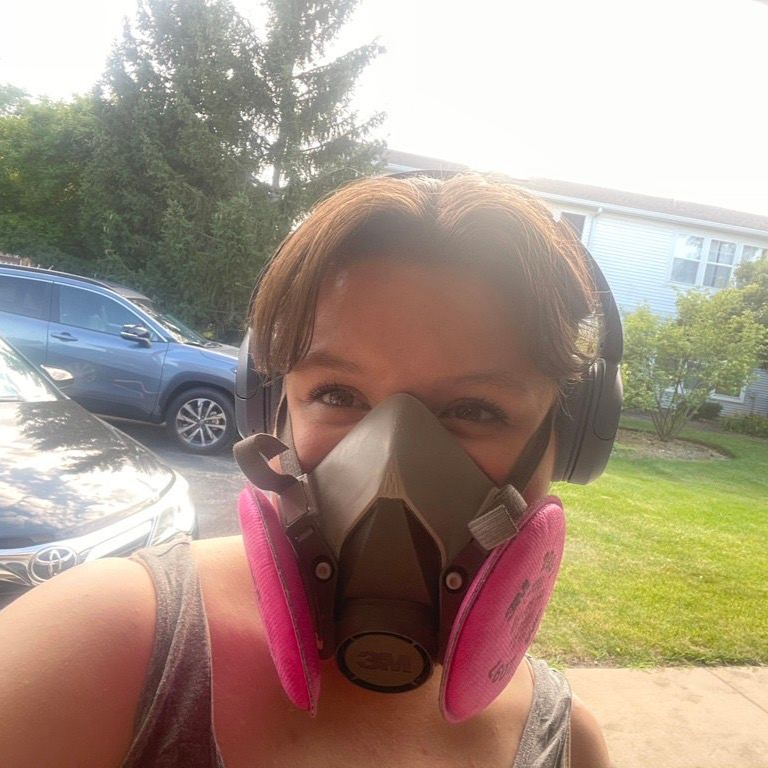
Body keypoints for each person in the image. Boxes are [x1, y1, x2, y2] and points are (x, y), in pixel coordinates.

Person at [0, 172, 613, 767]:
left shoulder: (566, 745)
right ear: (274, 408)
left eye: (473, 409)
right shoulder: (97, 651)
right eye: (339, 395)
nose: (391, 466)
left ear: (571, 444)